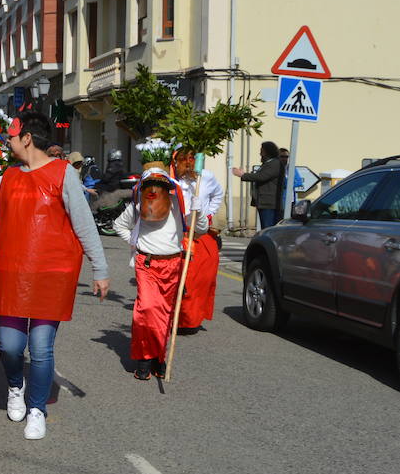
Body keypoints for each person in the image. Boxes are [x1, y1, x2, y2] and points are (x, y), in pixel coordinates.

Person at [0, 113, 110, 441]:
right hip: (13, 274)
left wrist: (100, 268)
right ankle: (16, 385)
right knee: (10, 345)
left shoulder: (63, 174)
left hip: (52, 274)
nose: (8, 142)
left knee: (42, 347)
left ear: (27, 138)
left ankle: (36, 408)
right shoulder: (7, 177)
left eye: (12, 137)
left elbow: (84, 224)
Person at [113, 168, 207, 379]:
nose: (154, 192)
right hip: (146, 263)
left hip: (172, 264)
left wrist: (198, 210)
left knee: (164, 313)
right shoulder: (138, 206)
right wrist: (134, 241)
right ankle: (145, 358)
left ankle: (158, 359)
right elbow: (119, 225)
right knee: (147, 309)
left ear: (168, 189)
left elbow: (200, 229)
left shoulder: (178, 205)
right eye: (149, 187)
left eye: (159, 187)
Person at [172, 149, 225, 332]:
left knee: (198, 279)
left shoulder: (207, 177)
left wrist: (209, 213)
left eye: (190, 159)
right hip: (177, 233)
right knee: (178, 279)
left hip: (199, 234)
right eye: (182, 160)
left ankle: (189, 320)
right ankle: (174, 318)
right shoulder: (173, 179)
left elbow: (218, 194)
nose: (187, 163)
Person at [233, 141, 284, 228]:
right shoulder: (268, 163)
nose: (260, 153)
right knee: (265, 227)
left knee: (268, 228)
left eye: (262, 150)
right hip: (265, 202)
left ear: (267, 151)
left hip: (269, 203)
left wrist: (243, 175)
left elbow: (261, 176)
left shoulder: (274, 163)